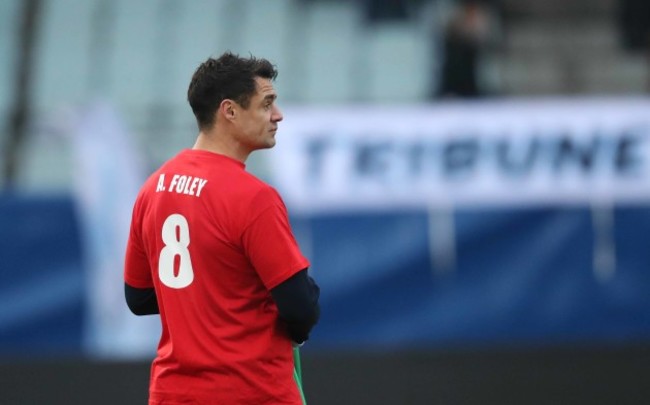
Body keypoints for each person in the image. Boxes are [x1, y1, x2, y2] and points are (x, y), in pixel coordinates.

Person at [123, 52, 320, 404]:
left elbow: (138, 297)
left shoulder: (154, 188)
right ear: (229, 111)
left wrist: (209, 301)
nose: (278, 115)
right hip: (251, 391)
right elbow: (299, 308)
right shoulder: (253, 198)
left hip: (173, 393)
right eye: (266, 104)